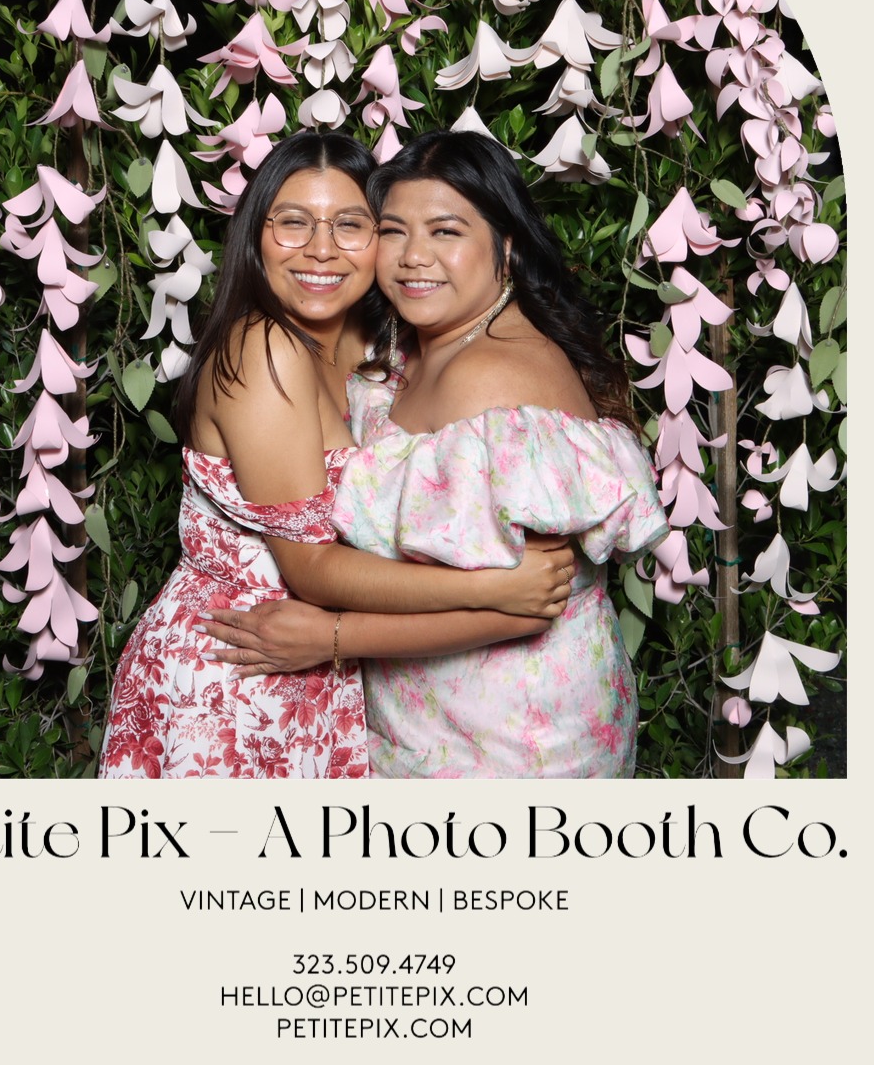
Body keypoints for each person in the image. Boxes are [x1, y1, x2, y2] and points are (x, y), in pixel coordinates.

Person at [98, 131, 574, 779]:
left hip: (321, 673)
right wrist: (495, 589)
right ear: (256, 236)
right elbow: (312, 570)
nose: (321, 249)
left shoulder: (373, 342)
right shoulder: (263, 350)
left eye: (349, 225)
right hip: (234, 674)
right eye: (293, 222)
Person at [205, 129, 669, 778]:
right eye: (394, 232)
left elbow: (524, 604)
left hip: (513, 736)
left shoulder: (493, 379)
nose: (413, 258)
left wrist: (330, 638)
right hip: (433, 720)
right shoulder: (414, 343)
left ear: (506, 245)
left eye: (446, 232)